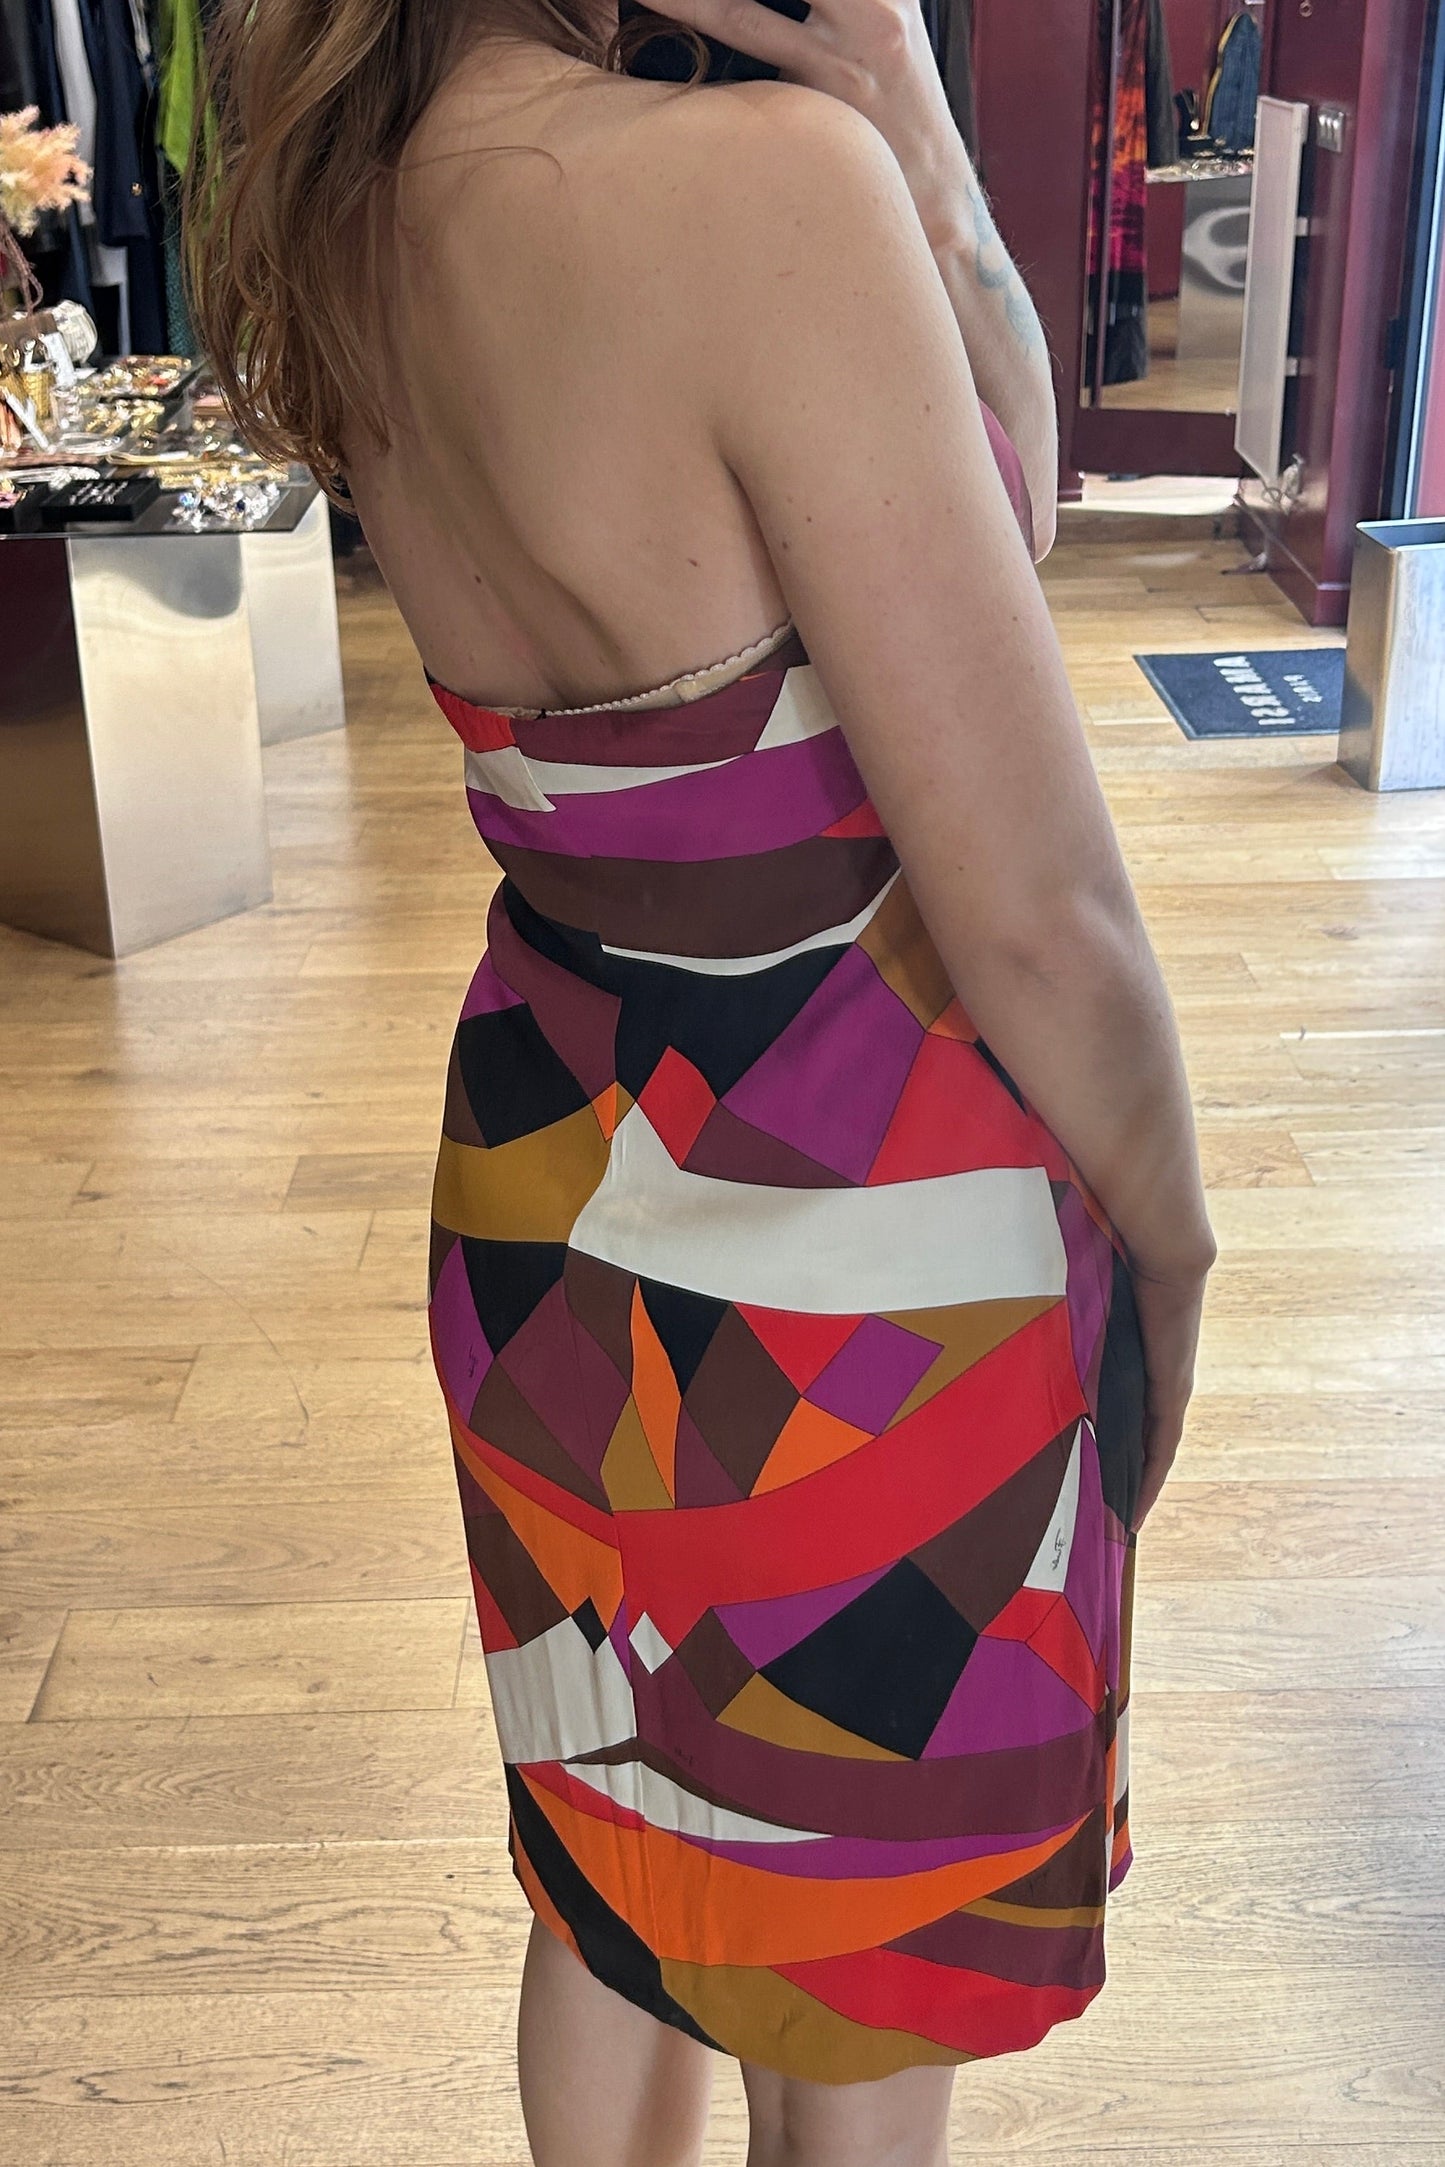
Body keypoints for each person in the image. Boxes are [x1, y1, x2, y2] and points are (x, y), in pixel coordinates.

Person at [189, 0, 1216, 2160]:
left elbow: (995, 514)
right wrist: (1177, 1243)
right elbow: (1043, 917)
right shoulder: (760, 192)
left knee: (613, 1871)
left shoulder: (347, 184)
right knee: (850, 2007)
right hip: (858, 1255)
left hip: (551, 1182)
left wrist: (912, 138)